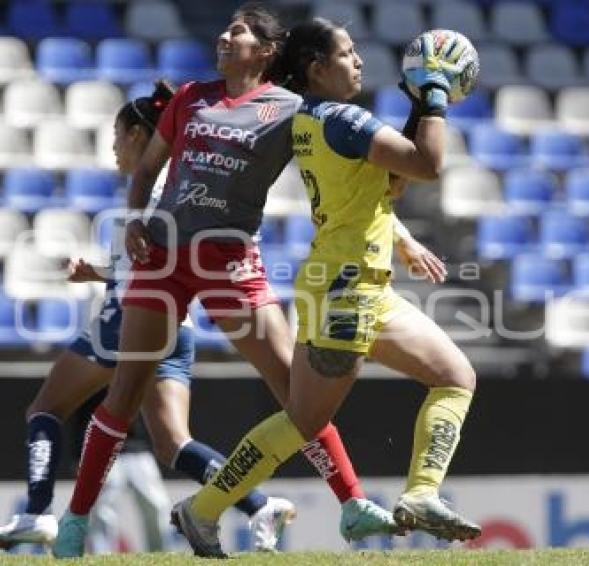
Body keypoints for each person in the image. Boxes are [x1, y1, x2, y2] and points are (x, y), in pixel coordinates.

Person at [52, 3, 435, 557]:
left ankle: (351, 506)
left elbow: (350, 184)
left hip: (230, 260)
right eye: (226, 29)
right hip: (164, 259)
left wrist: (402, 238)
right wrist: (136, 217)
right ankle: (75, 525)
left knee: (295, 390)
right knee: (123, 395)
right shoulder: (189, 97)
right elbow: (145, 170)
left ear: (268, 50)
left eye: (239, 31)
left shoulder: (294, 111)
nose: (226, 38)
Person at [170, 21, 481, 557]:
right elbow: (427, 164)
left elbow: (393, 179)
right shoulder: (345, 118)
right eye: (348, 53)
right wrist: (433, 94)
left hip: (350, 284)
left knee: (455, 376)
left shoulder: (311, 117)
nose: (359, 61)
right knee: (304, 420)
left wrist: (412, 115)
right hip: (347, 287)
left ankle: (423, 494)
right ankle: (201, 510)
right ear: (317, 68)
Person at [0, 80, 293, 554]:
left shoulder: (150, 188)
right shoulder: (187, 178)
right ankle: (256, 504)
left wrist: (111, 280)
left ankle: (37, 513)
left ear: (136, 135)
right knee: (173, 444)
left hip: (129, 320)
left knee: (45, 409)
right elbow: (157, 262)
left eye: (116, 138)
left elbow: (152, 267)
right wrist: (100, 272)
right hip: (175, 327)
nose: (113, 150)